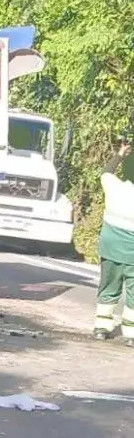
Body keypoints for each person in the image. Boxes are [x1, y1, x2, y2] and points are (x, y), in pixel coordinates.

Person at [94, 138, 134, 345]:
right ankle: (131, 335)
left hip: (110, 249)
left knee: (109, 287)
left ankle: (101, 327)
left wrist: (120, 155)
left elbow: (106, 172)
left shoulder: (113, 186)